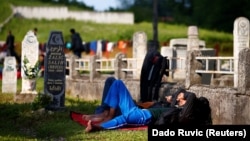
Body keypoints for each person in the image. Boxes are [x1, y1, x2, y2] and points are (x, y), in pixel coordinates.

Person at [83, 78, 196, 133]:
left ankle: (99, 127)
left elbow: (191, 98)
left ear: (186, 102)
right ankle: (109, 114)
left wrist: (179, 99)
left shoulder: (180, 111)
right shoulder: (172, 104)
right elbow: (179, 94)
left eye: (181, 97)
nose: (177, 96)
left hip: (145, 116)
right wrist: (172, 99)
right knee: (117, 83)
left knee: (124, 118)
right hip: (138, 109)